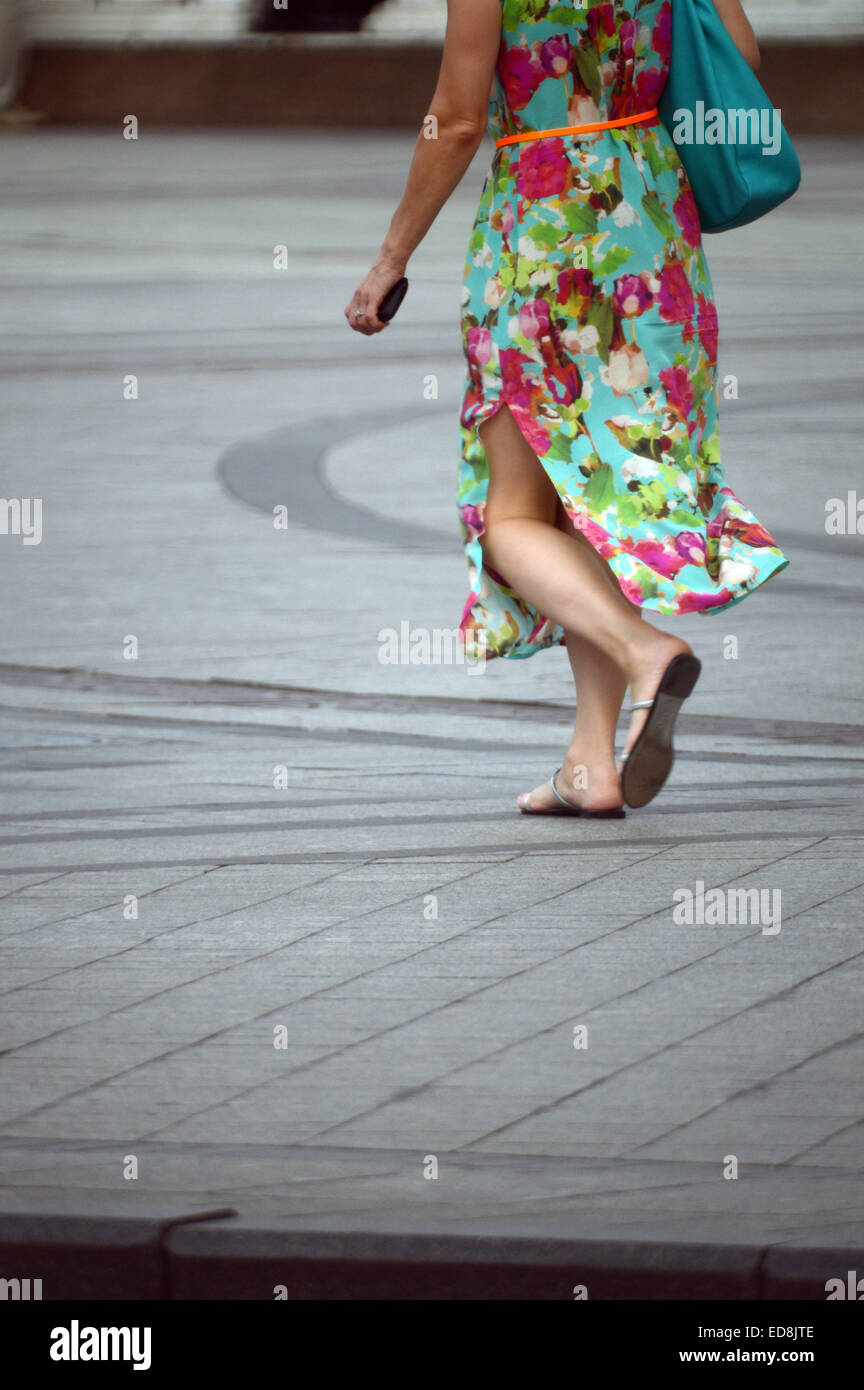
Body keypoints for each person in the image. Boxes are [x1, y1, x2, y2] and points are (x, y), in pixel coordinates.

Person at [345, 0, 787, 817]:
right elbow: (741, 51)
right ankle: (590, 761)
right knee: (589, 499)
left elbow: (457, 117)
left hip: (544, 230)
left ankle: (645, 650)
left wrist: (390, 257)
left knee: (510, 517)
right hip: (650, 224)